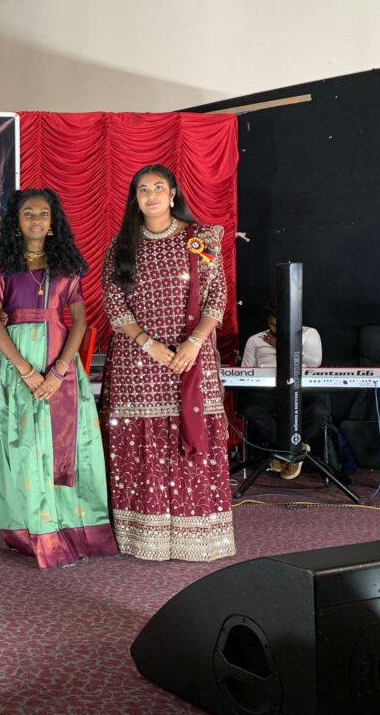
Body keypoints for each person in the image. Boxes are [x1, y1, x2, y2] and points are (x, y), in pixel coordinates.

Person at [101, 164, 234, 562]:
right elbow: (114, 303)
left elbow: (216, 296)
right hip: (137, 363)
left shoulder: (199, 239)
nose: (152, 195)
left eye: (159, 187)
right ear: (135, 199)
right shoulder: (122, 245)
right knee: (143, 446)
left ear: (173, 193)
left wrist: (193, 343)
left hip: (191, 358)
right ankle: (144, 537)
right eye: (143, 190)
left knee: (189, 440)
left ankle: (198, 537)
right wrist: (148, 344)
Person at [0, 189, 117, 569]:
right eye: (28, 213)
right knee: (27, 447)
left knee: (67, 448)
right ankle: (34, 531)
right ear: (16, 221)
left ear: (54, 222)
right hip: (18, 367)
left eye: (44, 213)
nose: (37, 220)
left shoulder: (66, 268)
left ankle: (73, 528)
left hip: (62, 368)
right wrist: (27, 371)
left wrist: (58, 371)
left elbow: (80, 322)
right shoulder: (3, 267)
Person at [240, 300, 329, 480]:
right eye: (272, 324)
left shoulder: (309, 334)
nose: (275, 328)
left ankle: (283, 451)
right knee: (251, 409)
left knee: (319, 411)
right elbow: (246, 371)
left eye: (280, 324)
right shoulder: (255, 340)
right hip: (269, 391)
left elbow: (314, 362)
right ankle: (295, 449)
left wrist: (281, 346)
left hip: (303, 389)